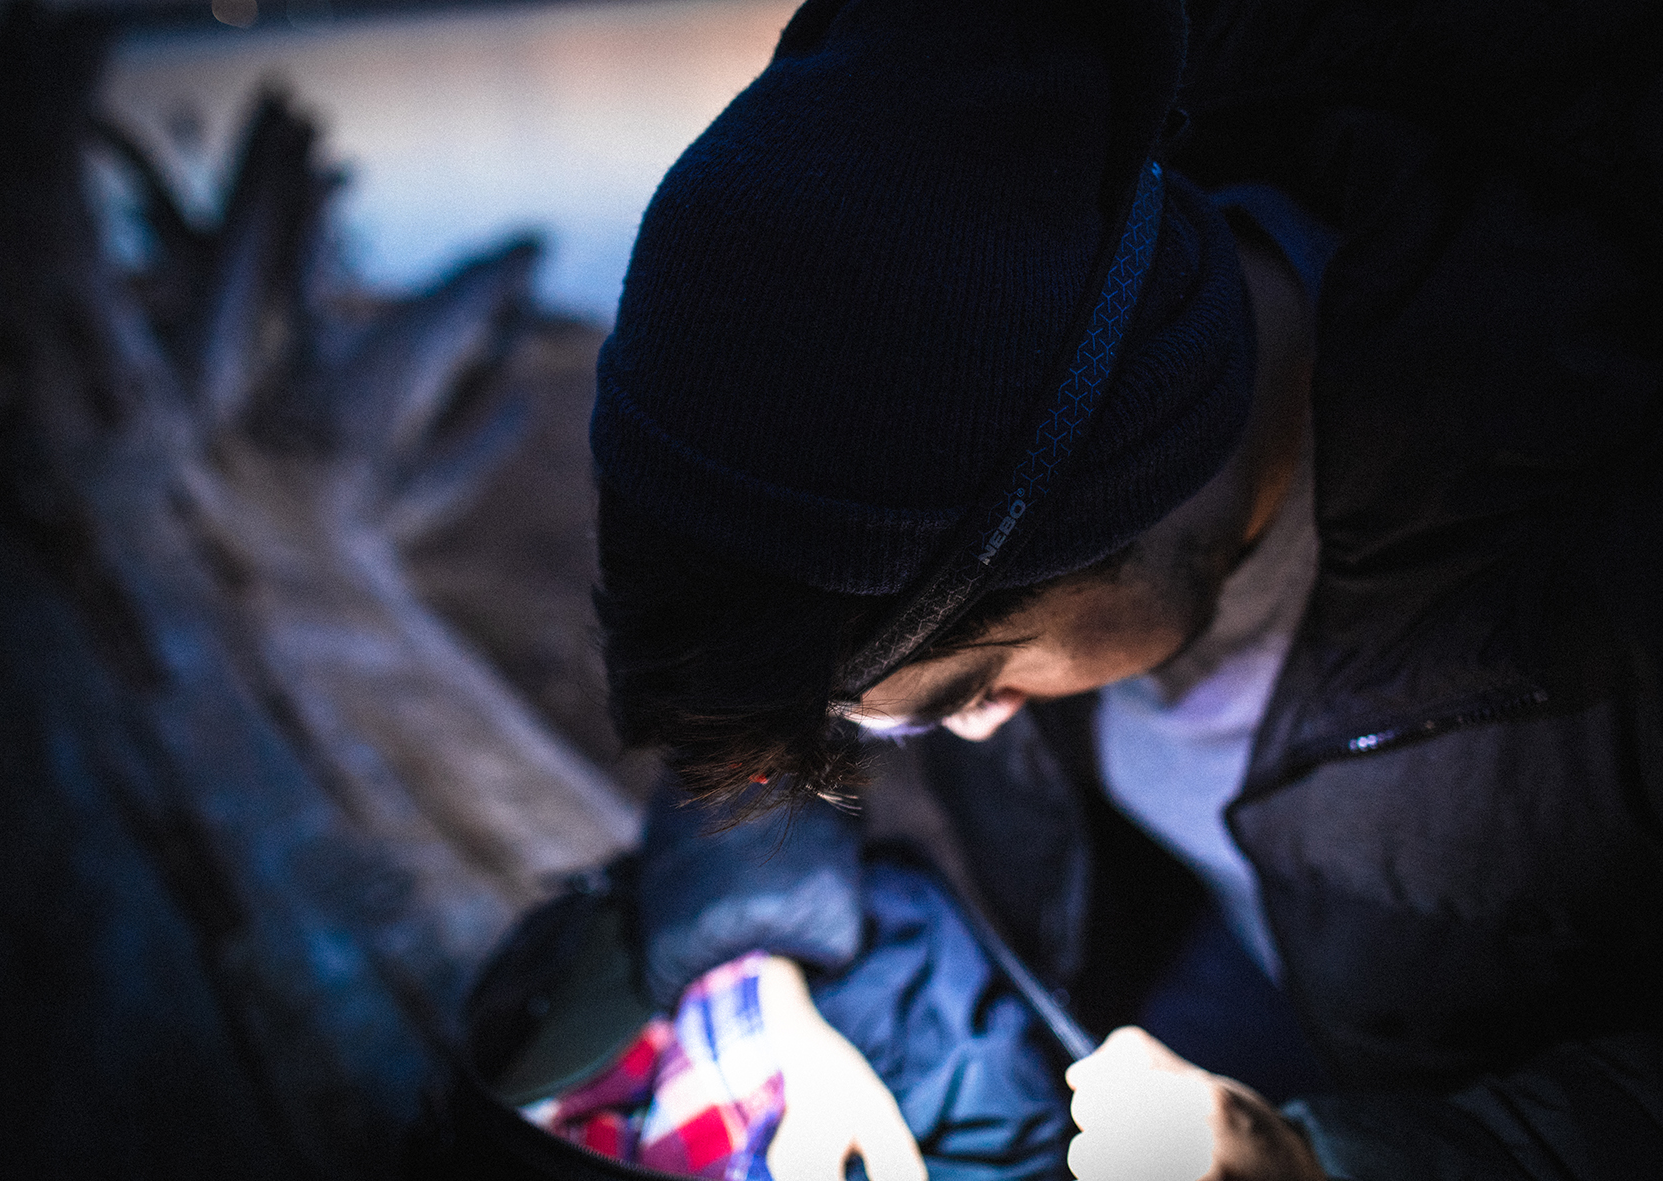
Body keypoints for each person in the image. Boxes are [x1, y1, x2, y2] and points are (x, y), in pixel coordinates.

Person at [588, 1, 1663, 1177]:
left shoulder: (1591, 556)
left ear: (1133, 490)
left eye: (973, 687)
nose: (973, 729)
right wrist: (756, 981)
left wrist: (1329, 1163)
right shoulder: (962, 418)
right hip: (1200, 1000)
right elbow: (774, 689)